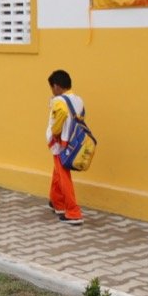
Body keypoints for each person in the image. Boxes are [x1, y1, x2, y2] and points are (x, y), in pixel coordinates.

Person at [46, 69, 84, 225]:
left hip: (61, 143)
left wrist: (55, 131)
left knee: (63, 176)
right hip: (73, 142)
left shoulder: (58, 101)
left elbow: (60, 115)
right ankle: (57, 202)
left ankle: (73, 212)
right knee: (58, 173)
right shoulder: (79, 100)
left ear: (56, 86)